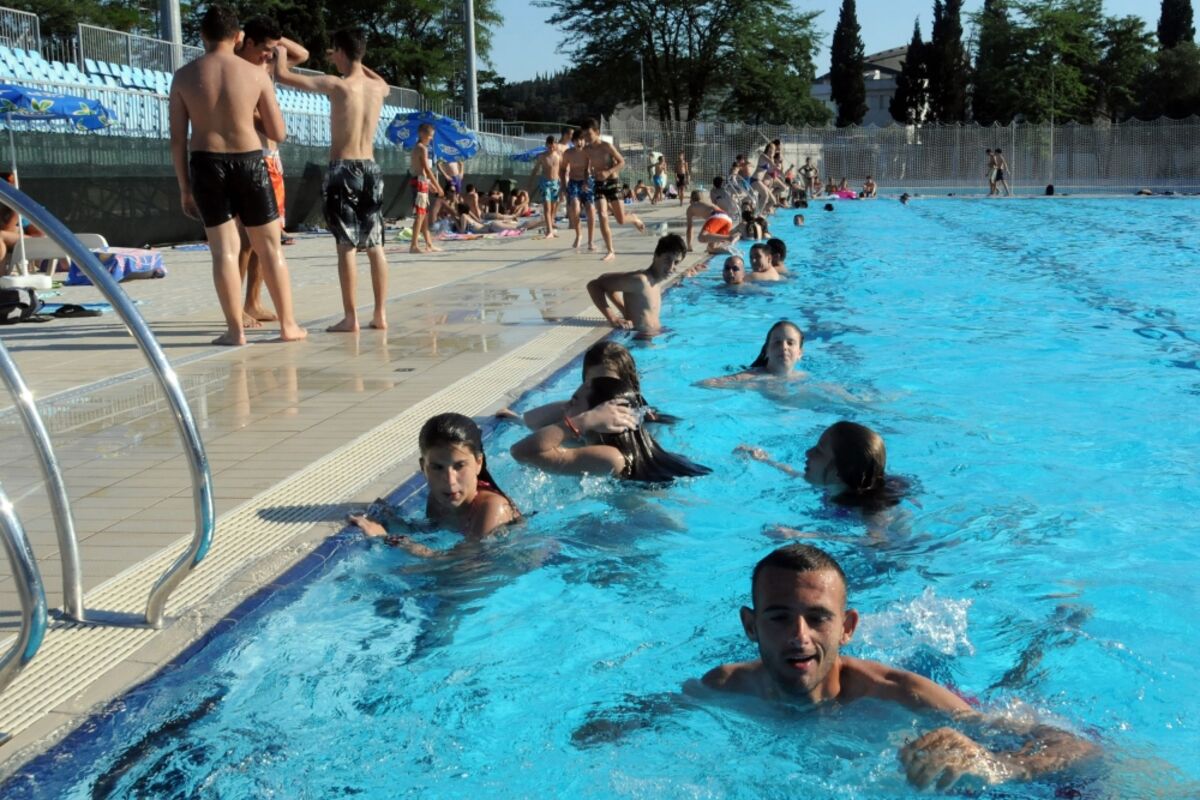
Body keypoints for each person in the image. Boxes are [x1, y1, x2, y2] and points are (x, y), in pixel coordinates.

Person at [696, 544, 1099, 791]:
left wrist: (999, 765)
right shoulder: (723, 687)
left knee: (1017, 684)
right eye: (779, 617)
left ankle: (1052, 632)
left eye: (818, 618)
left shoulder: (901, 695)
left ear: (847, 627)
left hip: (955, 696)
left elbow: (1081, 749)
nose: (799, 636)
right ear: (751, 625)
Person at [169, 4, 305, 346]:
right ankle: (288, 326)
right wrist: (245, 116)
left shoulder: (183, 76)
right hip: (249, 162)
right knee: (270, 248)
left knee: (224, 252)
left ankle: (235, 331)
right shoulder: (255, 74)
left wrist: (184, 188)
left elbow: (176, 139)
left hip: (205, 163)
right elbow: (278, 131)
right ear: (238, 37)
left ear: (203, 35)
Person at [275, 27, 393, 332]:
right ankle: (380, 314)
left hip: (344, 170)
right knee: (376, 245)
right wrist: (357, 59)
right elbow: (381, 80)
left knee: (346, 245)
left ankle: (351, 317)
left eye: (335, 52)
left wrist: (279, 45)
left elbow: (283, 76)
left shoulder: (337, 85)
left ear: (339, 51)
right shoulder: (378, 88)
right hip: (371, 169)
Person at [348, 413, 520, 556]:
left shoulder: (493, 508)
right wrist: (394, 523)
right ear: (423, 467)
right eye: (437, 467)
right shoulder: (439, 499)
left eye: (459, 466)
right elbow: (432, 530)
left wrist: (390, 540)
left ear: (478, 463)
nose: (450, 480)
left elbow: (465, 570)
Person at [234, 16, 308, 329]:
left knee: (269, 237)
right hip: (251, 155)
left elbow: (302, 54)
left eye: (271, 48)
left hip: (272, 158)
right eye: (264, 47)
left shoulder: (264, 65)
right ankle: (235, 306)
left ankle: (253, 300)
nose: (269, 54)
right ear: (246, 42)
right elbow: (240, 110)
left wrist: (275, 41)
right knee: (245, 240)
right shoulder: (235, 65)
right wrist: (265, 121)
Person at [511, 377, 709, 482]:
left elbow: (521, 452)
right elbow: (536, 425)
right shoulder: (634, 445)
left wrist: (583, 421)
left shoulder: (612, 457)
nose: (564, 408)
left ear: (596, 414)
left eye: (573, 401)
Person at [737, 421, 909, 514]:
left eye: (818, 451)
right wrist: (765, 460)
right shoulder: (835, 484)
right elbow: (794, 473)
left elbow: (877, 541)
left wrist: (803, 535)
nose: (808, 452)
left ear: (840, 471)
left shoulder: (866, 511)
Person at [586, 233, 687, 336]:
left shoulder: (656, 283)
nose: (671, 267)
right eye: (667, 260)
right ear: (656, 256)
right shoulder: (641, 281)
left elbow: (610, 287)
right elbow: (594, 285)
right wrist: (613, 318)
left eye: (676, 262)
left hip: (653, 336)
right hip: (639, 340)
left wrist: (624, 310)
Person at [582, 118, 645, 261]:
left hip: (613, 183)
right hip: (598, 184)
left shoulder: (607, 146)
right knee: (602, 215)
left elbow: (622, 162)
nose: (586, 138)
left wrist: (608, 172)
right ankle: (610, 251)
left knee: (621, 219)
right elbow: (586, 168)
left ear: (597, 132)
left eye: (589, 134)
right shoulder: (586, 150)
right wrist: (585, 181)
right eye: (584, 135)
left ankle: (634, 218)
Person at [700, 320, 803, 387]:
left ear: (799, 353)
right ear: (766, 351)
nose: (784, 347)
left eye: (790, 343)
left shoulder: (802, 378)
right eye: (777, 343)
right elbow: (704, 384)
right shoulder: (752, 377)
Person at [405, 122, 445, 253]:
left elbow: (422, 170)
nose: (431, 138)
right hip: (419, 183)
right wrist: (438, 186)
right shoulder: (422, 148)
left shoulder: (418, 147)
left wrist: (430, 184)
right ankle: (414, 245)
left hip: (421, 181)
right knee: (420, 215)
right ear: (422, 134)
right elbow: (426, 169)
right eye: (430, 136)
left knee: (424, 216)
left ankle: (429, 243)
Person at [562, 129, 595, 251]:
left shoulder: (588, 152)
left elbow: (588, 170)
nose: (579, 142)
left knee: (590, 210)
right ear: (573, 142)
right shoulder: (568, 153)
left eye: (582, 140)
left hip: (587, 181)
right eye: (576, 140)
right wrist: (563, 186)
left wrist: (586, 182)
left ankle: (591, 240)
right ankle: (579, 234)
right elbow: (562, 169)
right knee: (575, 208)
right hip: (574, 182)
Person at [528, 136, 562, 239]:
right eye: (550, 145)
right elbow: (535, 169)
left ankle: (549, 228)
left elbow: (563, 170)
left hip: (556, 183)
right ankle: (549, 231)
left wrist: (564, 182)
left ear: (556, 145)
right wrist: (530, 182)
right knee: (547, 207)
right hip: (545, 183)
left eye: (554, 144)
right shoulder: (542, 156)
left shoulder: (559, 156)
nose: (552, 147)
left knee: (553, 208)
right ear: (546, 145)